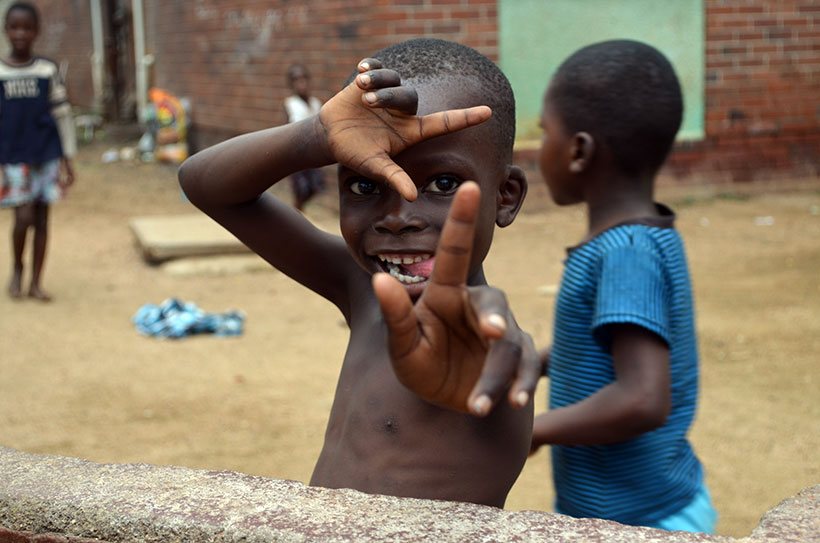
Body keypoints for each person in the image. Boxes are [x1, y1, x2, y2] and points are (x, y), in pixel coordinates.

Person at [179, 38, 540, 508]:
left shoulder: (482, 345)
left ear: (506, 196)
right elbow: (204, 185)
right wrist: (314, 137)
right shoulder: (364, 289)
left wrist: (489, 347)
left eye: (443, 183)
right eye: (365, 184)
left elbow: (496, 353)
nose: (399, 216)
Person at [529, 40, 717, 533]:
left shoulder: (626, 252)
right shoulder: (639, 238)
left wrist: (534, 430)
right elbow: (605, 344)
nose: (537, 146)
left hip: (643, 521)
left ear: (578, 151)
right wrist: (538, 361)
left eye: (543, 132)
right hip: (619, 510)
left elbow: (642, 398)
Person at [1, 1, 76, 301]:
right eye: (14, 27)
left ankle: (36, 282)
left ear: (36, 32)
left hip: (46, 154)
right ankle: (17, 269)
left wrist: (68, 158)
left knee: (43, 219)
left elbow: (62, 114)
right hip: (14, 156)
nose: (21, 33)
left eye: (27, 27)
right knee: (23, 217)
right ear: (6, 30)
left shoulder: (47, 70)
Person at [283, 63, 325, 211]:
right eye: (296, 80)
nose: (301, 83)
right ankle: (296, 211)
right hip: (297, 154)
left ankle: (298, 210)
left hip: (313, 153)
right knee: (301, 188)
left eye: (303, 79)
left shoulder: (315, 103)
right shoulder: (290, 104)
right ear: (291, 84)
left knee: (316, 186)